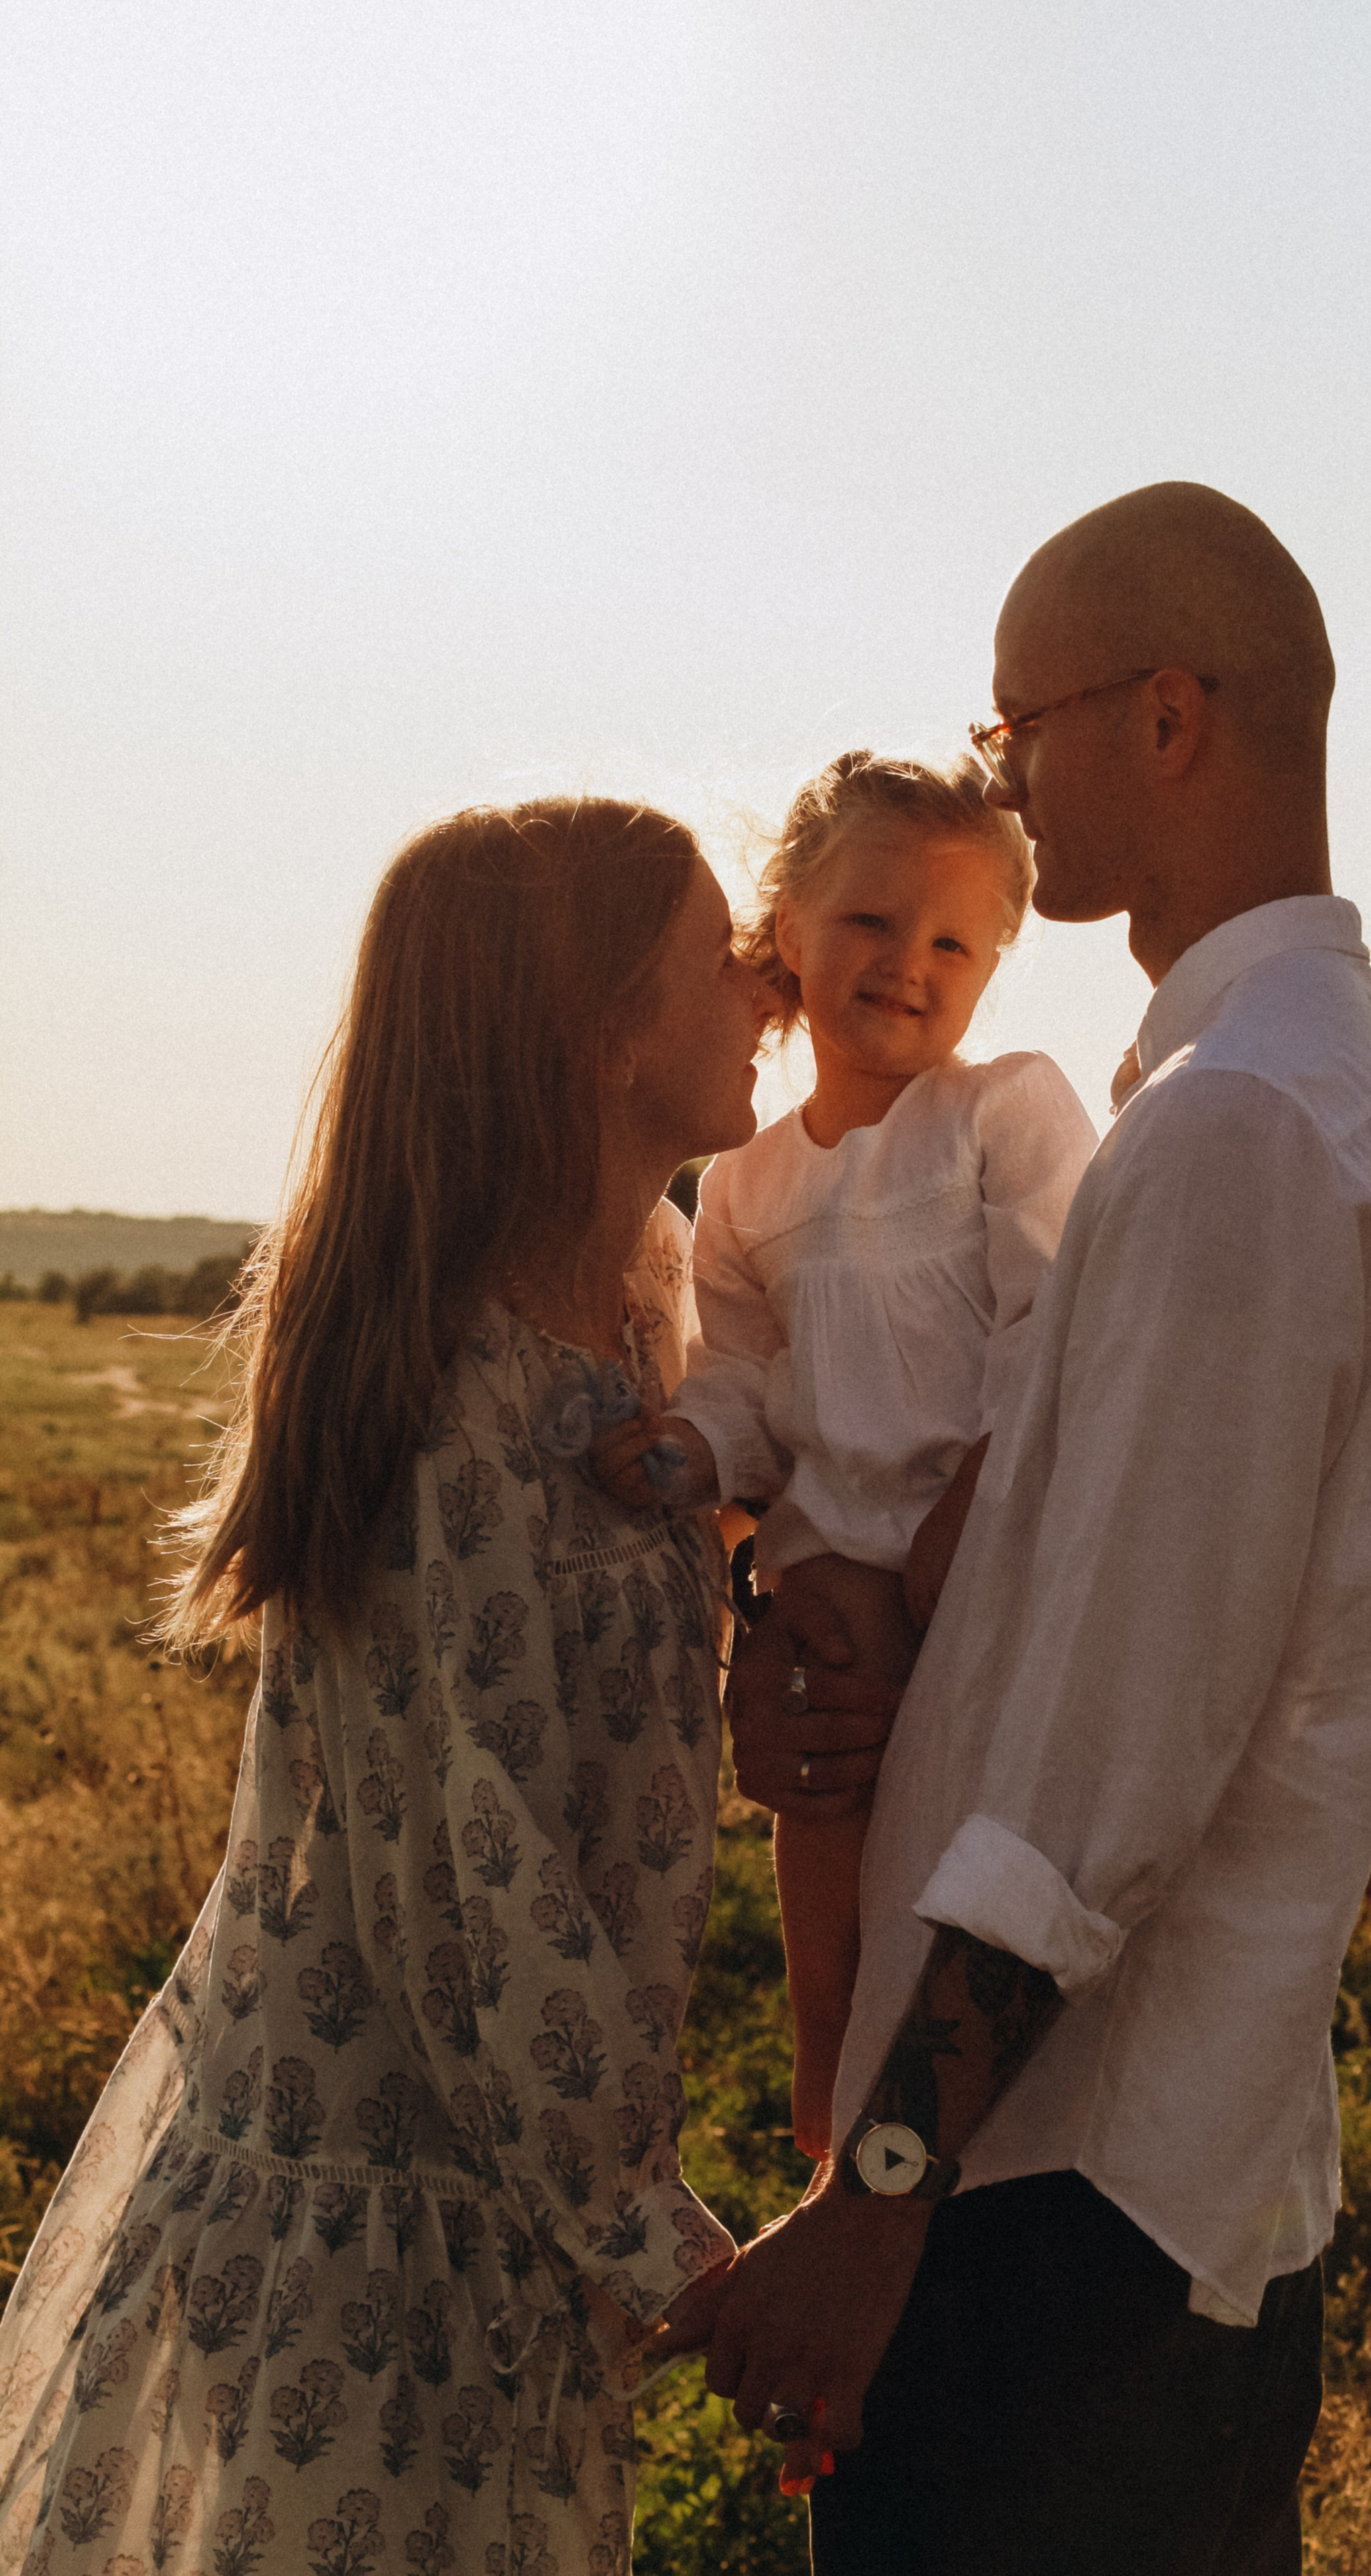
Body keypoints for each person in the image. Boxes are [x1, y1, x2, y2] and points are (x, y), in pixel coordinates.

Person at [675, 484, 1371, 2572]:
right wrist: (819, 1612)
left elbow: (1118, 1765)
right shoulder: (1315, 1089)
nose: (1006, 775)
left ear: (1170, 718)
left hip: (1070, 2232)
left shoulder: (1232, 1133)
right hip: (1135, 2195)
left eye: (1021, 721)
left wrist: (873, 2206)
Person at [0, 798, 770, 2576]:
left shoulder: (650, 1297)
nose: (771, 985)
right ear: (600, 1030)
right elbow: (473, 1902)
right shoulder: (457, 1408)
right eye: (721, 954)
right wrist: (668, 2254)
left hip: (499, 2216)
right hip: (391, 2225)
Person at [593, 751, 1095, 2157]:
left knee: (960, 1901)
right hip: (827, 1572)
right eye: (869, 923)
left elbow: (1057, 1327)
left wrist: (968, 1523)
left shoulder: (1003, 1112)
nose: (908, 964)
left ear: (996, 963)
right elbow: (749, 1378)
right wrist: (693, 1450)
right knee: (828, 1906)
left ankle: (951, 2180)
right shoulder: (748, 1184)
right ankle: (827, 2155)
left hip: (981, 1556)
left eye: (954, 942)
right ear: (787, 929)